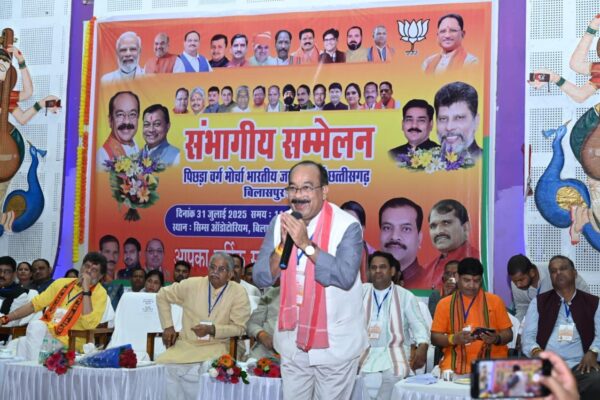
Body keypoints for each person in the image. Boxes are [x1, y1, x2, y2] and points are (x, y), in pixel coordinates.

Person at [253, 160, 366, 400]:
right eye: (293, 188)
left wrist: (305, 244)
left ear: (324, 191)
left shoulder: (348, 225)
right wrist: (282, 246)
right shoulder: (280, 222)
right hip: (292, 343)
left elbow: (345, 277)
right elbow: (261, 277)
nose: (298, 195)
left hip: (335, 345)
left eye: (306, 187)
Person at [156, 252, 250, 400]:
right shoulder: (191, 284)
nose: (215, 272)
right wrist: (168, 326)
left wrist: (212, 330)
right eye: (212, 267)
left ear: (230, 274)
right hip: (187, 345)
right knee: (162, 367)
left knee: (209, 369)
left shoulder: (239, 292)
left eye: (221, 269)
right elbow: (162, 295)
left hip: (219, 345)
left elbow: (239, 327)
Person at [1, 252, 109, 359]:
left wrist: (86, 290)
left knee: (24, 342)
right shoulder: (62, 283)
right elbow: (34, 305)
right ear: (81, 267)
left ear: (100, 276)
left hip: (71, 341)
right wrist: (5, 319)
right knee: (24, 337)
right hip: (47, 333)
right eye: (87, 266)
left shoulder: (100, 294)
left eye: (94, 270)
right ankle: (33, 367)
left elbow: (88, 324)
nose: (88, 271)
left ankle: (35, 366)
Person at [522, 255, 600, 400]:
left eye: (563, 268)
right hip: (548, 366)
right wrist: (537, 352)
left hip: (580, 365)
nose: (558, 273)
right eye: (553, 271)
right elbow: (528, 337)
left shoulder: (593, 302)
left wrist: (593, 352)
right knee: (521, 382)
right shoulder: (539, 302)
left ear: (574, 273)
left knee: (597, 380)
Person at [360, 251, 430, 399]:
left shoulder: (405, 296)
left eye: (382, 267)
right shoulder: (361, 292)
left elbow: (419, 327)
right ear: (369, 272)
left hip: (394, 352)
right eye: (373, 267)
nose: (378, 271)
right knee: (355, 380)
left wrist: (423, 347)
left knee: (394, 376)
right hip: (365, 352)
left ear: (392, 271)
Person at [431, 258, 513, 374]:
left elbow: (508, 334)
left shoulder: (495, 301)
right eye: (467, 280)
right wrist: (454, 339)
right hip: (454, 365)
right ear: (457, 277)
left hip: (492, 365)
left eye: (476, 281)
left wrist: (496, 338)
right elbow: (435, 337)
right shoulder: (444, 304)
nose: (472, 285)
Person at [508, 254, 588, 321]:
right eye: (514, 281)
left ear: (532, 273)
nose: (518, 285)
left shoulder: (555, 271)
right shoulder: (515, 284)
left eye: (521, 280)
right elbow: (522, 307)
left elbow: (584, 294)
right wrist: (517, 328)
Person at [379, 197, 430, 289]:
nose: (394, 237)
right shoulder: (366, 282)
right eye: (387, 228)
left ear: (419, 238)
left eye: (406, 229)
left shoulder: (431, 283)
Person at [434, 81, 482, 159]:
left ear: (476, 121)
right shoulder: (429, 162)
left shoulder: (485, 160)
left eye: (459, 118)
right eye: (443, 119)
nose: (449, 127)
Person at [97, 91, 140, 168]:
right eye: (120, 115)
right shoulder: (102, 158)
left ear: (138, 118)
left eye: (132, 114)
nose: (127, 121)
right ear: (110, 120)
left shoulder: (135, 144)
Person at [341, 200, 375, 283]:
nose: (348, 228)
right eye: (343, 222)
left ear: (363, 228)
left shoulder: (375, 257)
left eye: (353, 224)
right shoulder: (328, 250)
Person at [0, 256, 38, 328]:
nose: (2, 275)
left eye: (7, 272)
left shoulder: (20, 294)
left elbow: (11, 323)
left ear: (14, 274)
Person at [247, 283, 281, 359]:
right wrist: (261, 334)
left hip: (299, 355)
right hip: (267, 351)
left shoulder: (308, 298)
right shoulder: (272, 294)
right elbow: (251, 323)